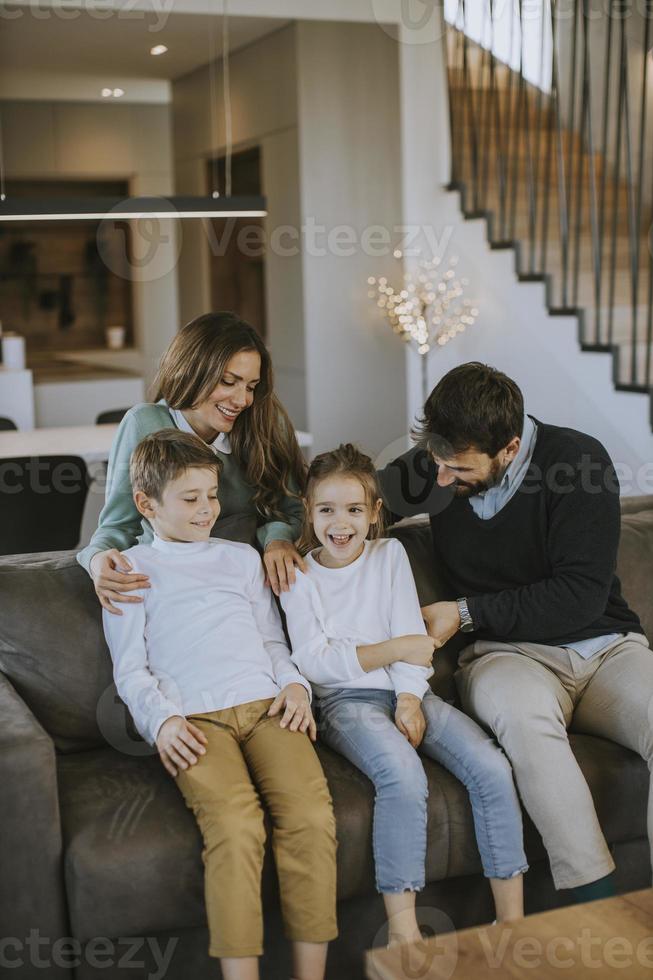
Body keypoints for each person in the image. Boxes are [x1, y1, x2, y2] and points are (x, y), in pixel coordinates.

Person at [397, 361, 652, 904]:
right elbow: (343, 497)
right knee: (525, 721)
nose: (440, 480)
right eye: (437, 464)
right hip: (505, 657)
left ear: (509, 449)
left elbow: (578, 596)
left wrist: (465, 612)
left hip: (605, 649)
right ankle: (596, 907)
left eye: (458, 470)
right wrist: (280, 537)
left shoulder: (579, 461)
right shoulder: (437, 463)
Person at [102, 428, 338, 980]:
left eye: (211, 495)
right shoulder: (129, 572)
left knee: (310, 815)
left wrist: (295, 684)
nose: (207, 509)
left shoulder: (240, 559)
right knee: (235, 824)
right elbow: (130, 671)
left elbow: (273, 641)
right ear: (146, 504)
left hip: (268, 709)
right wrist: (160, 723)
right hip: (195, 721)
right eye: (190, 499)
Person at [280, 444, 527, 947]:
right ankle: (405, 933)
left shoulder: (389, 555)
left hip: (410, 690)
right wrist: (394, 649)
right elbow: (316, 663)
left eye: (353, 509)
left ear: (374, 513)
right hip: (344, 703)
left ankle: (514, 923)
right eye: (326, 509)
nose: (340, 523)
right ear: (308, 511)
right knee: (403, 775)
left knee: (492, 767)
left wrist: (411, 698)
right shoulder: (300, 576)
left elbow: (416, 648)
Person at [78, 311, 307, 612]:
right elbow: (118, 525)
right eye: (228, 381)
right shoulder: (144, 423)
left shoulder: (267, 421)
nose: (241, 400)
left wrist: (279, 538)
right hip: (171, 587)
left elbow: (293, 507)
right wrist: (96, 559)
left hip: (248, 587)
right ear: (193, 371)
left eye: (251, 386)